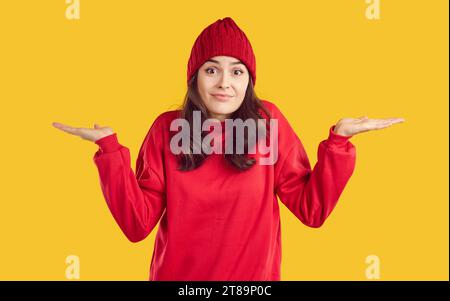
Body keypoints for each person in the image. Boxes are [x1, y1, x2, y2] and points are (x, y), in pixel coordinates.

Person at [52, 17, 405, 281]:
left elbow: (312, 210)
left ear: (249, 80)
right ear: (194, 77)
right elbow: (137, 224)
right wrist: (109, 151)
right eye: (212, 70)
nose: (225, 83)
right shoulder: (167, 128)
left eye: (237, 72)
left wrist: (339, 143)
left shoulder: (270, 123)